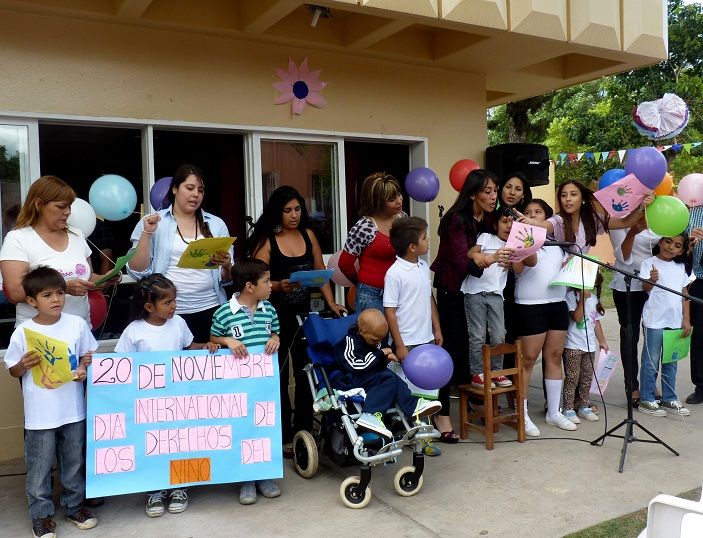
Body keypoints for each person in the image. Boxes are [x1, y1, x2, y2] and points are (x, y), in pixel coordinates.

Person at [115, 273, 220, 517]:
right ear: (149, 307)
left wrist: (206, 346)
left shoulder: (179, 323)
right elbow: (122, 365)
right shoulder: (134, 331)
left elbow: (189, 348)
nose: (174, 305)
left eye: (174, 300)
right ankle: (154, 490)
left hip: (178, 400)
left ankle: (180, 487)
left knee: (180, 442)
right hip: (148, 403)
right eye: (167, 302)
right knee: (152, 445)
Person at [3, 266, 98, 538]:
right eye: (47, 295)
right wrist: (23, 364)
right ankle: (41, 515)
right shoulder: (24, 331)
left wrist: (84, 367)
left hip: (73, 409)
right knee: (40, 466)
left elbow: (87, 356)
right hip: (40, 414)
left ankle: (74, 506)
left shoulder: (76, 324)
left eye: (59, 293)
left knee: (74, 462)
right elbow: (13, 370)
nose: (56, 299)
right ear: (31, 301)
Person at [249, 186, 344, 447]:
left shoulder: (308, 234)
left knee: (306, 371)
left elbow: (320, 272)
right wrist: (278, 286)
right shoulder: (267, 240)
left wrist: (332, 303)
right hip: (273, 316)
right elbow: (255, 280)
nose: (294, 215)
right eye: (288, 210)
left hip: (304, 313)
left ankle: (304, 430)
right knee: (278, 372)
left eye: (298, 209)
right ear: (277, 212)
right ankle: (281, 433)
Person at [127, 164, 233, 342]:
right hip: (167, 312)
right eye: (190, 188)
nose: (196, 194)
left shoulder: (216, 224)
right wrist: (147, 233)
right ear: (175, 189)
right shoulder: (153, 222)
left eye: (200, 190)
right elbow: (137, 271)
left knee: (210, 358)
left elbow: (227, 279)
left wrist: (227, 265)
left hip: (211, 307)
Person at [430, 169, 497, 440]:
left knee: (476, 347)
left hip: (478, 292)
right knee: (451, 350)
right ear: (472, 194)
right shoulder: (456, 219)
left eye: (495, 191)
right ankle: (441, 412)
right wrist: (487, 259)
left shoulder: (488, 218)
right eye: (487, 192)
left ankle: (472, 402)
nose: (494, 196)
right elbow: (460, 262)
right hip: (453, 292)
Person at [0, 175, 119, 327]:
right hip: (39, 333)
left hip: (80, 330)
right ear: (39, 204)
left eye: (70, 206)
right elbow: (15, 293)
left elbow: (87, 277)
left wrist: (105, 278)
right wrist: (64, 288)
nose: (68, 212)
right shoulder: (18, 239)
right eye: (61, 206)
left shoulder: (77, 235)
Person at [210, 257, 282, 505]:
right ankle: (246, 480)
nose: (271, 285)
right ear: (250, 286)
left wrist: (275, 338)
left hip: (264, 387)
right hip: (237, 388)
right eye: (267, 281)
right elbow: (213, 337)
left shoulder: (269, 309)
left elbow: (275, 331)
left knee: (264, 429)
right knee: (241, 429)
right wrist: (227, 341)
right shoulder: (224, 312)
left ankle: (263, 475)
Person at [383, 216, 443, 453]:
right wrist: (399, 345)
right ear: (411, 247)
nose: (428, 241)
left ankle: (424, 437)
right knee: (409, 393)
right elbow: (390, 311)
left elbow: (429, 298)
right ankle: (404, 435)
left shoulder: (422, 267)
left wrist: (437, 329)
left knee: (427, 392)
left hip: (426, 339)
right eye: (424, 238)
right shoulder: (394, 273)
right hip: (407, 343)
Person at [332, 308, 441, 438]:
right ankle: (371, 415)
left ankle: (413, 406)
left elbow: (373, 361)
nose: (378, 343)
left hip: (365, 376)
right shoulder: (350, 341)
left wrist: (384, 358)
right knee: (387, 377)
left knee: (391, 378)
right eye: (374, 340)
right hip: (348, 378)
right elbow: (357, 365)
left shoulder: (372, 338)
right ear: (361, 331)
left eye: (381, 339)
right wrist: (381, 354)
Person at [513, 198, 573, 436]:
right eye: (528, 212)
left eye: (538, 212)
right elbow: (517, 269)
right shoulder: (520, 239)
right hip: (530, 306)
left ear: (546, 218)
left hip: (557, 304)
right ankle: (522, 413)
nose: (532, 215)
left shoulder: (557, 243)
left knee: (555, 356)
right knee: (528, 359)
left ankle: (554, 412)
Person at [464, 213, 535, 388]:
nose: (509, 226)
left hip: (496, 294)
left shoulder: (514, 245)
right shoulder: (486, 237)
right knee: (478, 335)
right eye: (504, 221)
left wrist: (514, 259)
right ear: (495, 225)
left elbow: (519, 270)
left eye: (512, 223)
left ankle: (496, 373)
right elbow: (471, 253)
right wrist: (484, 257)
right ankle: (477, 373)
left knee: (499, 334)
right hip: (475, 292)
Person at [637, 234, 692, 417]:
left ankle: (669, 398)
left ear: (681, 251)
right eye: (668, 241)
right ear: (660, 242)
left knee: (671, 361)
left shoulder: (681, 267)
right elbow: (645, 288)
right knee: (651, 361)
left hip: (674, 321)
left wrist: (686, 319)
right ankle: (647, 399)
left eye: (677, 245)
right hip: (654, 320)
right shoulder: (649, 263)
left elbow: (685, 295)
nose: (671, 247)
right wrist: (652, 280)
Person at [518, 180, 653, 253]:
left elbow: (624, 223)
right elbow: (544, 226)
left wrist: (641, 206)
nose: (568, 199)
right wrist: (528, 221)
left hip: (580, 279)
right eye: (563, 195)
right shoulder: (558, 220)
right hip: (557, 281)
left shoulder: (592, 219)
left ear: (582, 198)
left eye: (573, 194)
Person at [609, 217, 659, 406]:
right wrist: (633, 231)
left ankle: (649, 384)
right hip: (627, 286)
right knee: (630, 336)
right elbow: (623, 256)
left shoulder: (658, 215)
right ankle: (631, 386)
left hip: (655, 284)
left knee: (654, 336)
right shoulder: (618, 219)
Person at [339, 172, 406, 312]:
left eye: (399, 194)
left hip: (400, 291)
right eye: (392, 199)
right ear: (378, 202)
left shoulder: (403, 218)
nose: (399, 200)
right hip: (372, 295)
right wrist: (362, 283)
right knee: (376, 327)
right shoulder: (365, 226)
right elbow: (345, 263)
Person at [562, 272, 608, 424]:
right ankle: (568, 408)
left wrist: (602, 341)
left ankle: (584, 405)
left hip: (589, 346)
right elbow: (577, 318)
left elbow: (596, 322)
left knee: (586, 378)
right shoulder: (570, 297)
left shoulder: (594, 299)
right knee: (572, 378)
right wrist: (582, 299)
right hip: (573, 345)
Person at [685, 210, 703, 404]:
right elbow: (678, 245)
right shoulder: (693, 210)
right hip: (700, 281)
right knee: (699, 337)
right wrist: (689, 242)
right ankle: (701, 386)